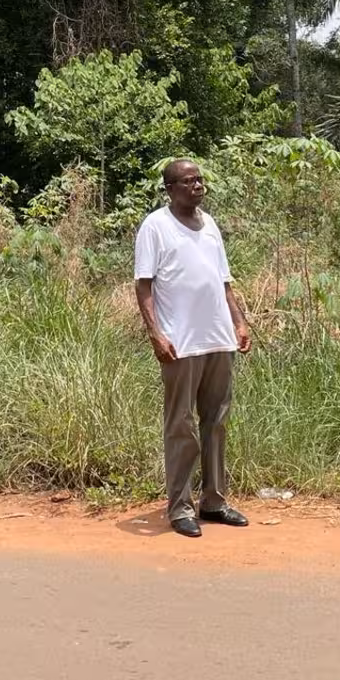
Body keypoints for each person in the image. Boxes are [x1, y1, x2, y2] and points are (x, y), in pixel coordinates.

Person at [134, 159, 252, 538]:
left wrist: (239, 322)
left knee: (216, 421)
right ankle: (180, 507)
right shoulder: (156, 227)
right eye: (188, 181)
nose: (197, 186)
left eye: (200, 179)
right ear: (170, 189)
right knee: (181, 424)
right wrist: (155, 333)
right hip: (180, 342)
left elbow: (224, 281)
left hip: (218, 338)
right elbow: (144, 286)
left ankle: (214, 501)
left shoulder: (210, 224)